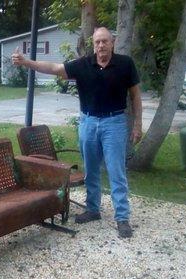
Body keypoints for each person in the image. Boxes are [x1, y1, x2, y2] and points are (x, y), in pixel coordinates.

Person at [11, 27, 143, 238]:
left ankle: (122, 217)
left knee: (116, 171)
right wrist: (27, 62)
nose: (101, 45)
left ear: (112, 43)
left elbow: (135, 96)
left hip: (115, 122)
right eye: (98, 42)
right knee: (90, 169)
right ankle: (92, 209)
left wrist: (137, 125)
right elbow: (54, 67)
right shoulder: (83, 64)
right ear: (93, 44)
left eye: (105, 41)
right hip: (88, 122)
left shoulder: (125, 64)